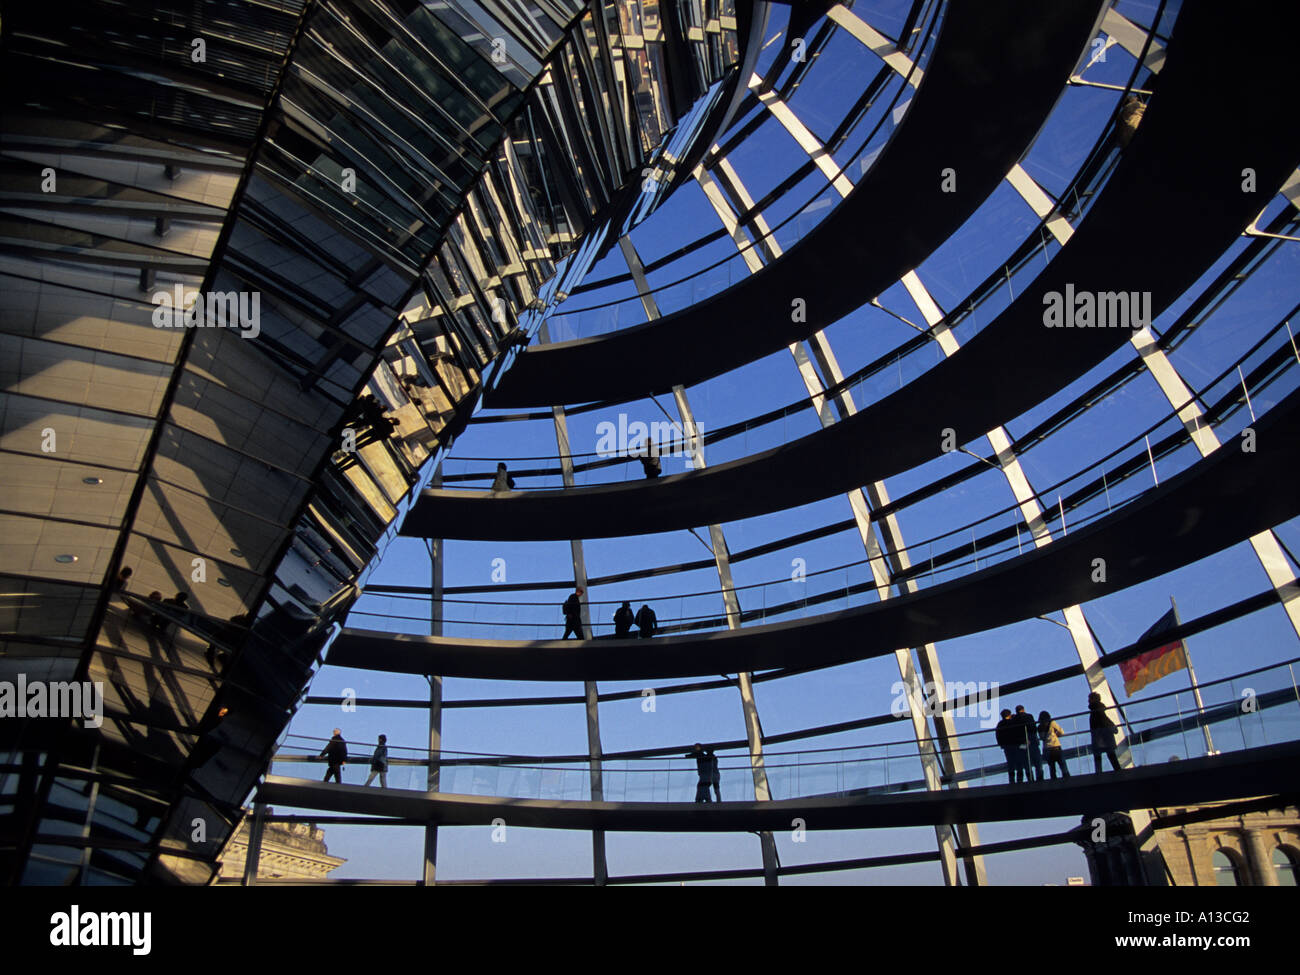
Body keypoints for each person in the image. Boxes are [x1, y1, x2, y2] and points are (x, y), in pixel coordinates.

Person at [1088, 692, 1122, 773]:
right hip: (1105, 735)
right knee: (1110, 754)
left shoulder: (1095, 710)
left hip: (1099, 735)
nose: (1088, 701)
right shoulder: (1099, 708)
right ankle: (1118, 771)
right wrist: (1113, 727)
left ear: (1093, 699)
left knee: (1098, 755)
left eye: (1090, 699)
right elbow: (1104, 719)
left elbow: (1102, 719)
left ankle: (1099, 774)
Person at [994, 709, 1025, 784]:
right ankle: (1020, 780)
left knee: (1010, 763)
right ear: (1009, 714)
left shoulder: (1000, 724)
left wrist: (1001, 745)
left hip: (1007, 746)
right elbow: (1019, 733)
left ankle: (1012, 781)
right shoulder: (1013, 722)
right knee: (1019, 763)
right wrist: (1023, 744)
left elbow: (998, 736)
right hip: (1016, 745)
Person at [1013, 705, 1042, 782]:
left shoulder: (1014, 719)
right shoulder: (1029, 716)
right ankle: (1040, 778)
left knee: (1026, 761)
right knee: (1037, 761)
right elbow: (1033, 728)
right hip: (1032, 741)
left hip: (1021, 743)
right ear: (1023, 709)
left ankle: (1030, 778)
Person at [1038, 710, 1069, 779]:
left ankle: (1054, 782)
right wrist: (1056, 734)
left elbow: (1042, 738)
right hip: (1056, 747)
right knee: (1063, 765)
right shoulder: (1052, 723)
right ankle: (1067, 780)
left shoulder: (1039, 727)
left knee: (1052, 768)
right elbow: (1062, 732)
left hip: (1047, 749)